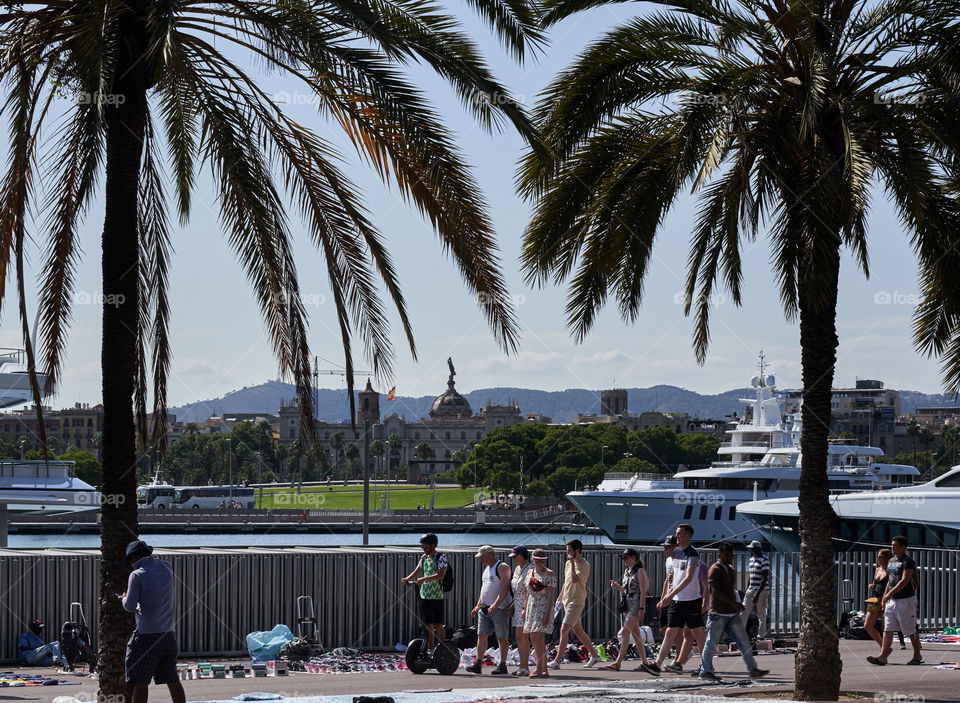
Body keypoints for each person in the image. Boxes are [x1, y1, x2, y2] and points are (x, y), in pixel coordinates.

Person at [120, 540, 186, 703]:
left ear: (133, 558)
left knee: (139, 680)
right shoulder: (166, 567)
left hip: (146, 636)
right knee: (172, 679)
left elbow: (129, 606)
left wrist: (124, 598)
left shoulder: (137, 574)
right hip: (168, 635)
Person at [697, 543, 769, 681]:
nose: (729, 558)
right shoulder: (714, 569)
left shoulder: (731, 570)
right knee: (711, 642)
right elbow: (716, 592)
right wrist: (734, 603)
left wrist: (737, 605)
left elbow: (730, 591)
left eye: (731, 556)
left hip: (731, 614)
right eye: (726, 556)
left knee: (743, 641)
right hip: (717, 614)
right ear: (720, 555)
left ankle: (753, 669)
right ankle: (705, 670)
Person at [648, 524, 707, 675]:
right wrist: (667, 596)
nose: (677, 537)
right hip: (677, 600)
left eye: (680, 534)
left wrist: (669, 595)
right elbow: (674, 578)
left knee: (697, 633)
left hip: (692, 600)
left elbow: (688, 578)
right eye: (676, 534)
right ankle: (657, 665)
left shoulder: (693, 554)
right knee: (669, 632)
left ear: (688, 536)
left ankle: (706, 666)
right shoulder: (676, 552)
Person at [867, 535, 922, 666]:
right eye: (892, 545)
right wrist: (886, 596)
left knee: (909, 629)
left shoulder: (907, 561)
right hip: (892, 600)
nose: (892, 547)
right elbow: (890, 581)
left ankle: (917, 654)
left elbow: (904, 580)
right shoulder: (891, 561)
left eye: (895, 545)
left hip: (905, 600)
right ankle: (882, 656)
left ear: (903, 547)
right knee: (888, 628)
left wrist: (890, 593)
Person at [548, 539, 600, 669]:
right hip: (567, 600)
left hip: (576, 601)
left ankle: (557, 661)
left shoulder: (584, 565)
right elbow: (567, 582)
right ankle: (594, 655)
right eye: (567, 552)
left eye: (570, 551)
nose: (568, 554)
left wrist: (571, 562)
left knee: (564, 629)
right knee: (578, 631)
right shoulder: (567, 564)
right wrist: (560, 597)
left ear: (577, 550)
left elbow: (575, 579)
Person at [605, 548, 655, 673]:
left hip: (636, 604)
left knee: (625, 632)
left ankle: (618, 662)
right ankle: (645, 662)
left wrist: (642, 608)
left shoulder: (640, 571)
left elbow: (643, 591)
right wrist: (618, 587)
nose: (625, 561)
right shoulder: (628, 572)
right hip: (628, 603)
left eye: (626, 558)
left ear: (633, 558)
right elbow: (628, 590)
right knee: (636, 634)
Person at [467, 545, 512, 675]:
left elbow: (505, 588)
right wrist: (477, 606)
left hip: (499, 608)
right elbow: (484, 589)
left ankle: (502, 664)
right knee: (481, 635)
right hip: (484, 607)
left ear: (489, 555)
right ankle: (478, 663)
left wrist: (496, 605)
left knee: (501, 637)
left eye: (482, 557)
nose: (480, 559)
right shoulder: (486, 569)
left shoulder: (502, 567)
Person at [401, 533, 448, 655]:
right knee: (428, 625)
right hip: (424, 595)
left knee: (437, 623)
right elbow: (417, 571)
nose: (424, 549)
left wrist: (424, 579)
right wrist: (407, 578)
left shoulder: (440, 557)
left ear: (433, 546)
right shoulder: (424, 558)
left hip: (436, 595)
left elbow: (440, 575)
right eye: (422, 547)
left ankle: (443, 648)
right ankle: (430, 650)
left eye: (426, 547)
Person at [522, 548, 557, 678]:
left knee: (537, 636)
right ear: (533, 560)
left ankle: (540, 667)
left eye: (542, 561)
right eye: (537, 561)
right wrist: (524, 609)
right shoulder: (530, 572)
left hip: (543, 606)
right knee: (534, 637)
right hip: (532, 605)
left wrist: (548, 614)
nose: (539, 563)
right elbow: (527, 593)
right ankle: (543, 668)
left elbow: (550, 596)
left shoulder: (549, 574)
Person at [509, 545, 534, 676]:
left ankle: (524, 666)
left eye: (515, 556)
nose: (513, 559)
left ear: (520, 556)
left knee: (523, 635)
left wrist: (525, 607)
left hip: (525, 605)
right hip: (517, 605)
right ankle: (522, 665)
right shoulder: (517, 569)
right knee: (519, 636)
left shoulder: (530, 569)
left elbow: (530, 589)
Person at [741, 540, 770, 641]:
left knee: (761, 613)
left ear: (757, 549)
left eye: (752, 549)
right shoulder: (751, 560)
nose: (750, 551)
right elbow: (750, 576)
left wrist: (757, 594)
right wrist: (747, 589)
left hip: (761, 591)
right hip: (751, 589)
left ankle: (761, 636)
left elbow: (765, 577)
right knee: (744, 611)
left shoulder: (764, 560)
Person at [865, 548, 893, 646]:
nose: (878, 559)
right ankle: (883, 646)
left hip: (886, 600)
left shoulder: (891, 570)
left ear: (886, 558)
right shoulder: (877, 570)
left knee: (884, 626)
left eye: (880, 557)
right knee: (867, 625)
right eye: (877, 557)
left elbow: (892, 585)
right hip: (875, 599)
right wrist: (871, 586)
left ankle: (884, 650)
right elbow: (875, 583)